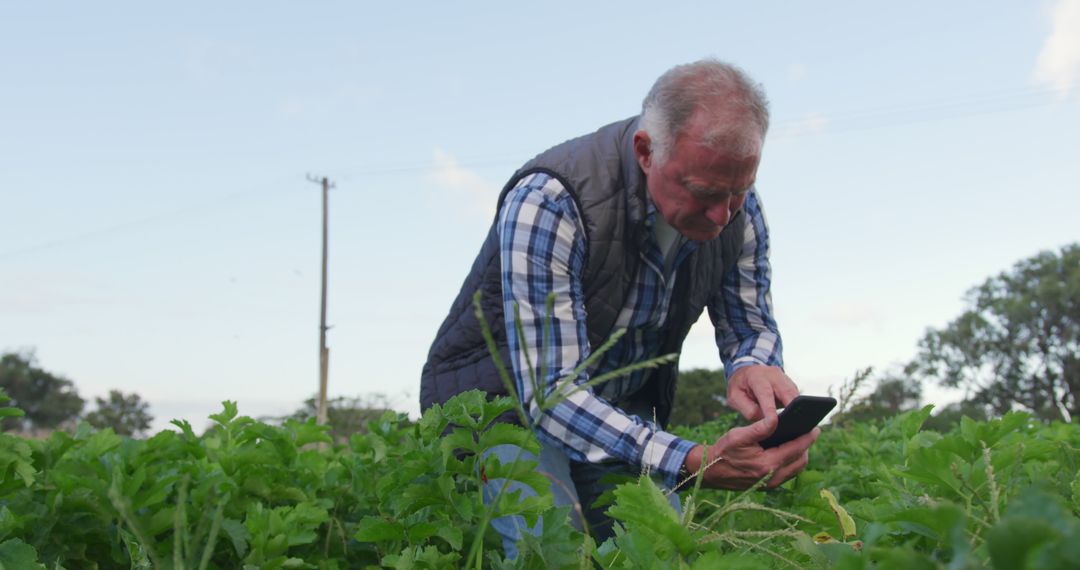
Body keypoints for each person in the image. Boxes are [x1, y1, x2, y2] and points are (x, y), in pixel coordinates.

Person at [420, 58, 819, 556]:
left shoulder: (739, 209)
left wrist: (754, 366)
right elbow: (552, 394)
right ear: (646, 152)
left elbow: (750, 324)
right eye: (704, 193)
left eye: (739, 190)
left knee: (660, 549)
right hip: (506, 409)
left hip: (621, 412)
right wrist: (694, 459)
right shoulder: (551, 200)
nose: (723, 214)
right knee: (551, 546)